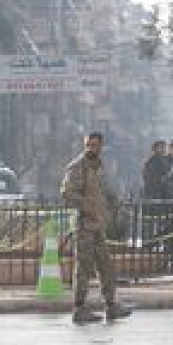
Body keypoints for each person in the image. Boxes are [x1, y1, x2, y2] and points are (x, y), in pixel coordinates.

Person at [62, 131, 131, 325]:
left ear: (101, 146)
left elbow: (104, 190)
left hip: (98, 225)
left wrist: (114, 203)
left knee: (106, 267)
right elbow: (66, 193)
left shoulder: (100, 167)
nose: (92, 149)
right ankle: (79, 308)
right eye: (88, 145)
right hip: (84, 225)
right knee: (83, 268)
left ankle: (110, 305)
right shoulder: (77, 167)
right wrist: (86, 207)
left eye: (95, 145)